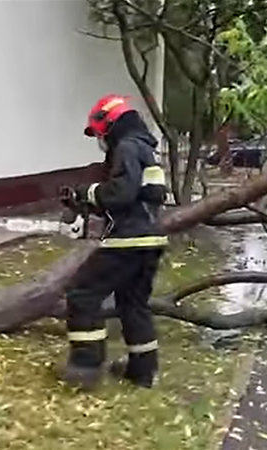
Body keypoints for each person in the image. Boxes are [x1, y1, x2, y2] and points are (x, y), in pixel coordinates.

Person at [57, 94, 168, 391]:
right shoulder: (145, 149)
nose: (100, 140)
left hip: (128, 241)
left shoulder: (127, 148)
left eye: (99, 133)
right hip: (151, 239)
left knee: (82, 294)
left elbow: (121, 192)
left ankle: (85, 368)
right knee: (133, 304)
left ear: (111, 125)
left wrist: (88, 193)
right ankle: (143, 371)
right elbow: (146, 195)